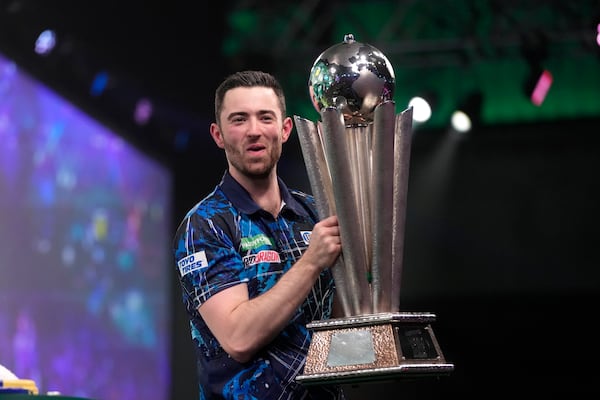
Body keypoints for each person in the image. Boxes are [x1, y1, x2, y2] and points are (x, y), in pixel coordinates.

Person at [173, 70, 345, 400]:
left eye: (265, 118)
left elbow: (345, 323)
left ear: (285, 130)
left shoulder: (315, 214)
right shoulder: (205, 225)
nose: (254, 131)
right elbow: (239, 338)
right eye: (239, 119)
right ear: (218, 134)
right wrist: (311, 263)